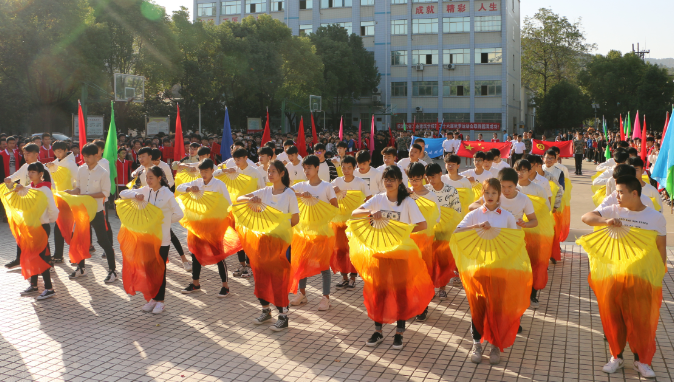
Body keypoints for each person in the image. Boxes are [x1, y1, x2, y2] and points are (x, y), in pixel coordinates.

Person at [580, 176, 665, 378]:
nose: (615, 195)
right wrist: (605, 221)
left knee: (641, 321)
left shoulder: (655, 217)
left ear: (634, 193)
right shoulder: (613, 210)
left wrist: (658, 275)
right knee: (613, 318)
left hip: (642, 278)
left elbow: (661, 248)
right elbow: (586, 217)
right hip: (614, 277)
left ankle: (641, 361)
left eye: (620, 192)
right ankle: (616, 357)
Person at [352, 165, 430, 350]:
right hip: (379, 253)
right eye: (386, 179)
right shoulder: (378, 199)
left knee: (401, 293)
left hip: (401, 254)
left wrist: (403, 231)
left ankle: (399, 334)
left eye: (392, 179)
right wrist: (370, 214)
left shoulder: (407, 202)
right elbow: (355, 213)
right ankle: (378, 331)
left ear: (399, 182)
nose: (388, 182)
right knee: (379, 292)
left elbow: (423, 224)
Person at [454, 178, 529, 364]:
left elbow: (517, 242)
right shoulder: (475, 214)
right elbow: (457, 232)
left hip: (500, 270)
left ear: (499, 195)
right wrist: (477, 227)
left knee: (497, 309)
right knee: (477, 309)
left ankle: (495, 345)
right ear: (482, 194)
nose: (490, 196)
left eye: (494, 193)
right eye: (487, 192)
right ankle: (476, 344)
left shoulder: (507, 216)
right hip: (477, 271)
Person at [237, 160, 300, 330]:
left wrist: (280, 228)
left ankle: (283, 315)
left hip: (281, 243)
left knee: (279, 278)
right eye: (269, 171)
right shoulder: (264, 191)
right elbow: (239, 199)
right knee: (261, 276)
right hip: (263, 241)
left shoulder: (289, 194)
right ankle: (265, 310)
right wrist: (253, 199)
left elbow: (295, 219)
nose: (270, 174)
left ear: (282, 174)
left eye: (274, 171)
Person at [120, 166, 183, 314]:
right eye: (147, 178)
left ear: (159, 178)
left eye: (151, 178)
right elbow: (123, 193)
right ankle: (153, 298)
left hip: (162, 239)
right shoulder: (145, 190)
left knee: (159, 270)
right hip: (147, 237)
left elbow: (179, 213)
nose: (148, 181)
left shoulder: (167, 193)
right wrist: (136, 196)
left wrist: (165, 222)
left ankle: (161, 301)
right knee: (148, 268)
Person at [177, 159, 234, 297]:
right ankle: (195, 283)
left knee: (218, 254)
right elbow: (179, 188)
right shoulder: (197, 182)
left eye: (206, 171)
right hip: (198, 224)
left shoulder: (219, 184)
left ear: (212, 171)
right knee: (195, 253)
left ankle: (225, 286)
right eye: (201, 171)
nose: (203, 174)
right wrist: (189, 188)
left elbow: (228, 204)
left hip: (214, 225)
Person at [290, 155, 339, 310]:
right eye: (304, 168)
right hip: (303, 232)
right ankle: (302, 294)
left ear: (317, 168)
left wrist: (318, 204)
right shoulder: (301, 185)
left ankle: (326, 298)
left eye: (309, 168)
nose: (306, 171)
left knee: (324, 266)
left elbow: (334, 208)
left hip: (323, 232)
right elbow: (287, 193)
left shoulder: (326, 186)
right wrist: (301, 195)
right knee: (302, 263)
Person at [64, 143, 117, 281]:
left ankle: (113, 271)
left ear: (96, 156)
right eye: (84, 156)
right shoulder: (81, 169)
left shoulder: (103, 172)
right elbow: (79, 188)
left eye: (88, 156)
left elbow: (105, 193)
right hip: (82, 211)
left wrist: (87, 196)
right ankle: (81, 268)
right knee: (80, 240)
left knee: (103, 241)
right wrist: (71, 192)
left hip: (96, 211)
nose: (86, 159)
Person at [10, 163, 59, 300]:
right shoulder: (30, 187)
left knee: (41, 257)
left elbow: (53, 209)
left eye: (33, 172)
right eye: (29, 172)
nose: (30, 174)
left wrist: (47, 220)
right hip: (30, 227)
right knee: (31, 255)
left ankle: (49, 288)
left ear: (40, 174)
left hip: (41, 227)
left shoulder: (45, 189)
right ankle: (34, 285)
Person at [216, 148, 265, 278]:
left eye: (239, 159)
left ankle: (250, 266)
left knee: (249, 238)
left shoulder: (254, 172)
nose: (237, 162)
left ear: (245, 158)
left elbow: (262, 189)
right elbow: (214, 175)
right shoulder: (234, 171)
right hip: (237, 211)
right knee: (239, 238)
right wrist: (225, 170)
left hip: (251, 210)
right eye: (235, 159)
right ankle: (242, 265)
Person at [330, 155, 371, 288]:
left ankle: (353, 277)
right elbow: (327, 197)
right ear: (340, 168)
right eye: (344, 167)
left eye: (349, 167)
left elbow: (370, 198)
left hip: (356, 222)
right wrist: (332, 190)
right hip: (339, 222)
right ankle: (344, 277)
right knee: (340, 250)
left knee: (353, 249)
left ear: (354, 168)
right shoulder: (335, 182)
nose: (346, 170)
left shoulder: (360, 182)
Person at [424, 162, 461, 297]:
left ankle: (442, 288)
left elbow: (457, 211)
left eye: (433, 177)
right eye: (428, 177)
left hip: (446, 231)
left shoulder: (451, 190)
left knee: (443, 260)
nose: (431, 180)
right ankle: (430, 288)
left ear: (441, 174)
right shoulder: (424, 190)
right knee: (430, 260)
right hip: (428, 231)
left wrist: (452, 228)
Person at [47, 141, 81, 263]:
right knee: (60, 227)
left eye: (60, 151)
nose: (58, 154)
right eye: (55, 152)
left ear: (66, 149)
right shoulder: (55, 162)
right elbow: (52, 181)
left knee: (63, 227)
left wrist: (74, 192)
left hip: (68, 199)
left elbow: (78, 180)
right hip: (58, 199)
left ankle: (73, 253)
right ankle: (62, 254)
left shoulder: (71, 164)